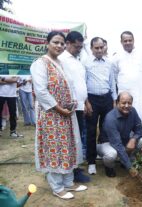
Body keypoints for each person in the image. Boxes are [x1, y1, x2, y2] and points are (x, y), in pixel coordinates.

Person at [30, 31, 87, 200]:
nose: (59, 46)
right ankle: (57, 187)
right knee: (55, 149)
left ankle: (68, 182)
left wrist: (72, 103)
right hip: (51, 114)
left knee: (68, 146)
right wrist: (58, 108)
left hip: (65, 113)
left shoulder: (61, 63)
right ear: (47, 43)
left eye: (62, 43)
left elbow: (70, 87)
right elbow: (41, 91)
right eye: (56, 42)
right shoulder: (40, 64)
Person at [58, 31, 90, 183]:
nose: (79, 49)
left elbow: (80, 84)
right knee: (72, 139)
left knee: (78, 138)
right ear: (68, 44)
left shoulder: (77, 61)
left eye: (81, 47)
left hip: (80, 105)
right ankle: (72, 170)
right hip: (69, 107)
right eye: (77, 47)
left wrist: (86, 102)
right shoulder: (61, 60)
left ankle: (75, 166)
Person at [83, 37, 117, 175]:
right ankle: (91, 161)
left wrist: (114, 100)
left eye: (101, 47)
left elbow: (112, 82)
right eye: (96, 48)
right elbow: (83, 83)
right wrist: (86, 102)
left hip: (107, 99)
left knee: (106, 131)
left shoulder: (109, 63)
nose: (99, 50)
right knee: (91, 131)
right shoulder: (85, 63)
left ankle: (106, 159)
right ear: (91, 49)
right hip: (92, 99)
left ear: (105, 47)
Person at [97, 91, 142, 177]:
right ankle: (109, 166)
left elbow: (140, 128)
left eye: (129, 103)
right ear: (117, 103)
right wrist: (130, 167)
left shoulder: (133, 111)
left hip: (124, 140)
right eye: (123, 103)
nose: (126, 105)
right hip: (108, 143)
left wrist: (134, 139)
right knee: (111, 154)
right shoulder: (111, 118)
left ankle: (124, 161)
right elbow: (117, 144)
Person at [112, 31, 142, 121]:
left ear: (134, 40)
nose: (128, 43)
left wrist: (138, 80)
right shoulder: (116, 57)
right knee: (124, 116)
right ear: (121, 42)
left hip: (140, 92)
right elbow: (115, 75)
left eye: (130, 40)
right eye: (125, 41)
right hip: (124, 92)